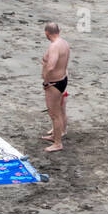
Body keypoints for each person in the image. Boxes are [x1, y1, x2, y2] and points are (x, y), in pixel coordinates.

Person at [41, 21, 70, 152]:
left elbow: (51, 65)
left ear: (47, 33)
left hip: (54, 83)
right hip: (62, 79)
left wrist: (46, 81)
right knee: (58, 110)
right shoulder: (64, 43)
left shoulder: (54, 46)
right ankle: (55, 135)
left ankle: (58, 143)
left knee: (54, 114)